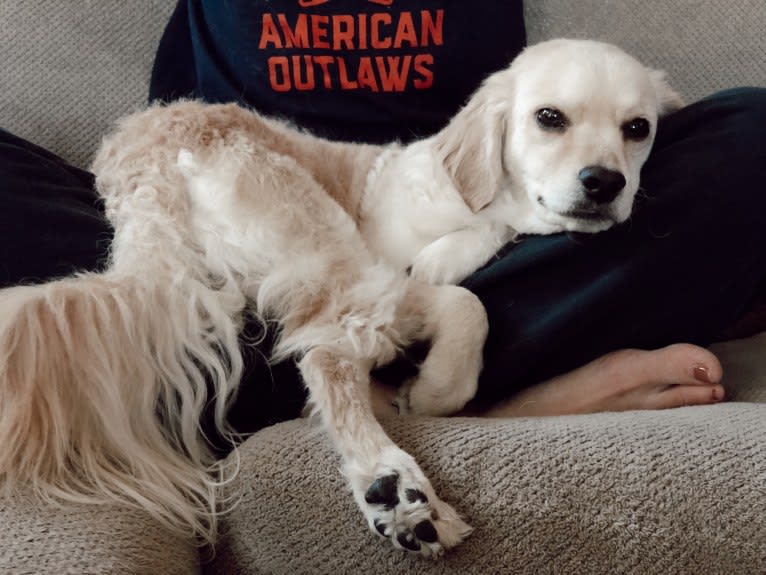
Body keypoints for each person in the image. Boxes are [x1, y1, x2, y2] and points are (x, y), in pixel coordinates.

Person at [2, 0, 765, 442]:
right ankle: (469, 390)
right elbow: (172, 129)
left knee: (751, 135)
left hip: (464, 244)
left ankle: (263, 383)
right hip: (243, 245)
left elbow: (526, 154)